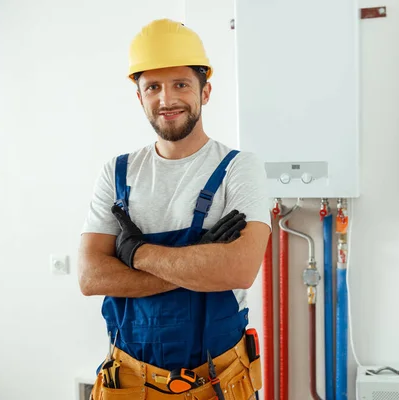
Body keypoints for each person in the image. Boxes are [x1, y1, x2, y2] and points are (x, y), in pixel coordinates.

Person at [78, 18, 271, 399]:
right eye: (153, 87)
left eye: (181, 84)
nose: (167, 100)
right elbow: (91, 277)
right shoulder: (117, 173)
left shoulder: (239, 167)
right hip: (131, 382)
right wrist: (200, 265)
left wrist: (135, 253)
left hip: (217, 381)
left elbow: (240, 269)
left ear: (206, 91)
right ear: (140, 97)